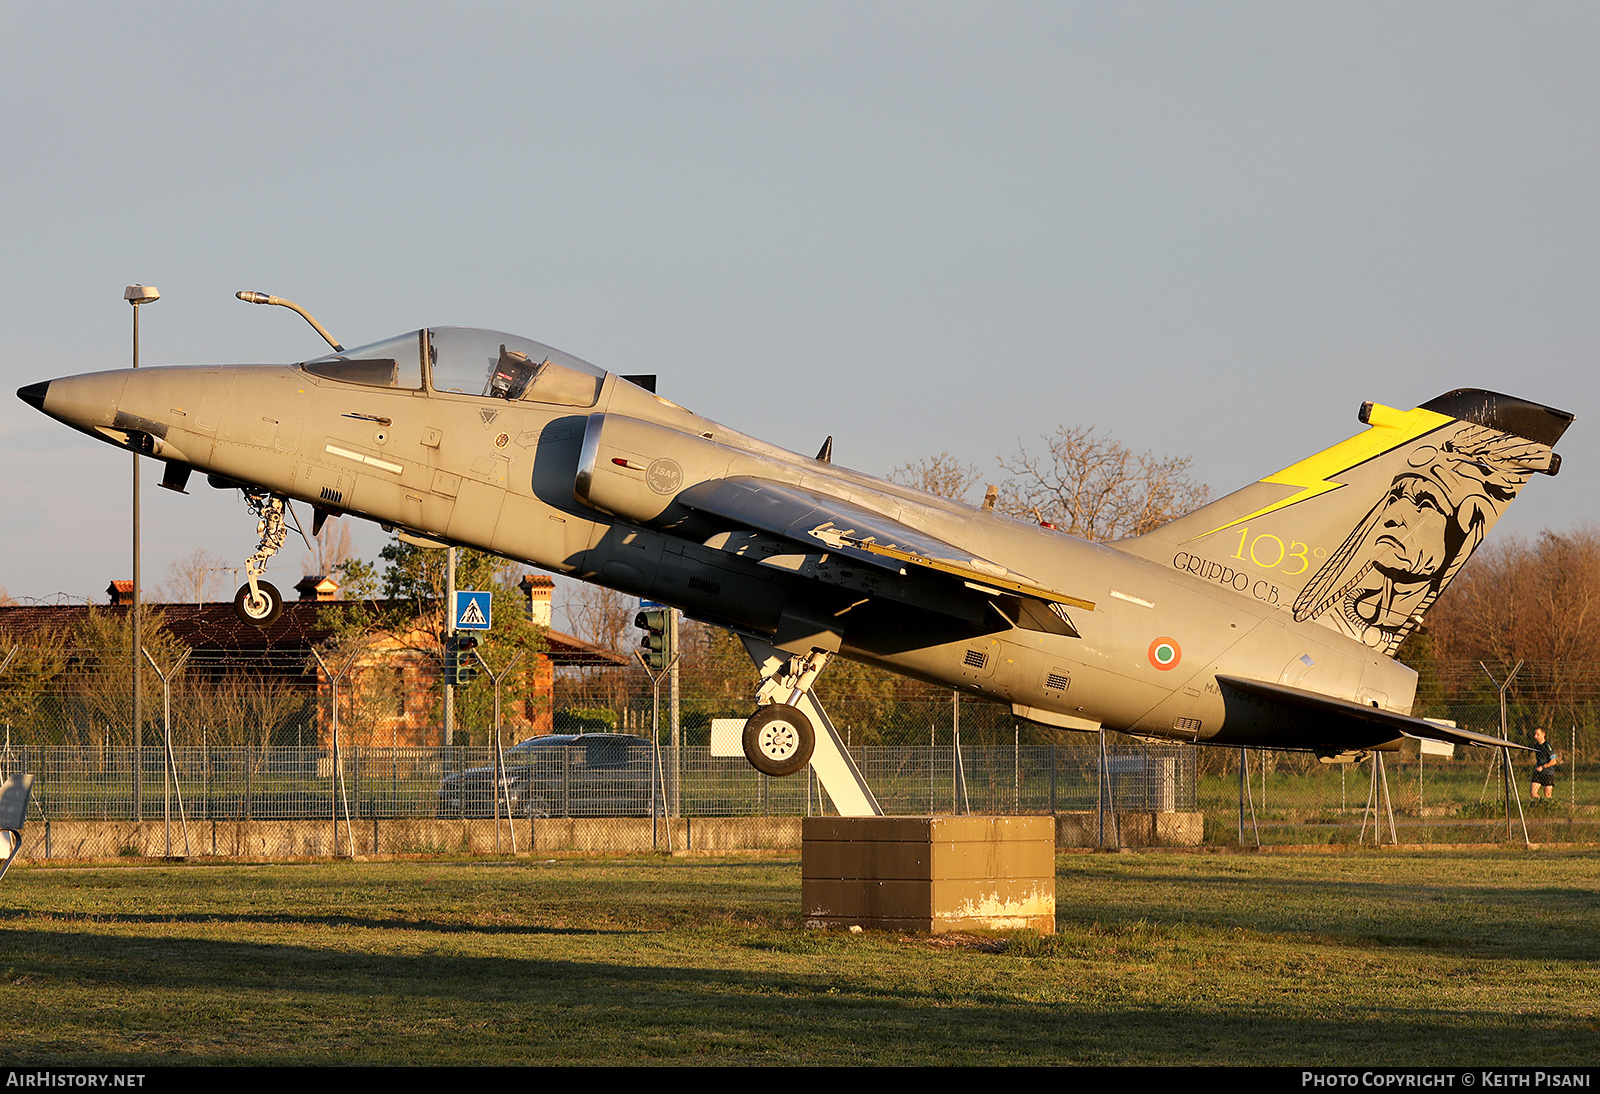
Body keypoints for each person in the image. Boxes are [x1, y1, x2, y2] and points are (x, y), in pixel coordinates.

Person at [1531, 727, 1560, 801]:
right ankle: (1541, 804)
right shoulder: (1536, 746)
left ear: (1543, 735)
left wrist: (1543, 767)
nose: (1535, 736)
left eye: (1538, 734)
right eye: (1535, 734)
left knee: (1547, 795)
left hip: (1548, 772)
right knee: (1533, 793)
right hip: (1538, 772)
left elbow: (1554, 761)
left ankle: (1549, 808)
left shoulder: (1547, 746)